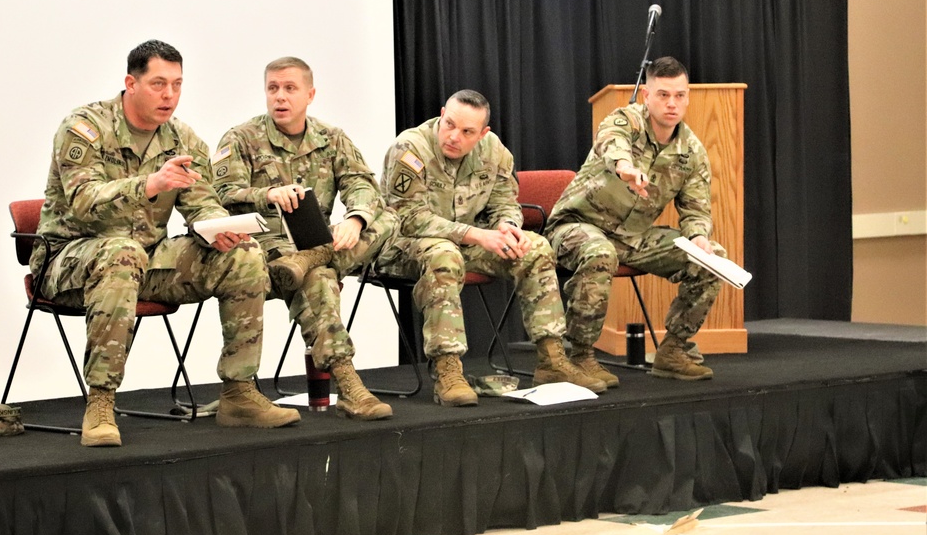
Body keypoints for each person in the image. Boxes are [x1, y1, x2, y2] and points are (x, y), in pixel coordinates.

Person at [32, 40, 299, 448]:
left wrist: (218, 227)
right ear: (130, 83)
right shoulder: (85, 127)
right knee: (122, 250)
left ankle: (239, 392)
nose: (169, 95)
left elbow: (201, 202)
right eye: (158, 84)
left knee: (242, 254)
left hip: (145, 260)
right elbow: (84, 202)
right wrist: (150, 184)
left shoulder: (183, 140)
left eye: (176, 84)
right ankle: (101, 401)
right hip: (70, 258)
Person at [376, 90, 607, 407]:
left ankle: (552, 360)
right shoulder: (411, 148)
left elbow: (504, 203)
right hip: (404, 246)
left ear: (482, 133)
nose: (454, 136)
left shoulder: (494, 152)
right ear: (442, 114)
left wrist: (508, 226)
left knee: (535, 248)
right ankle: (448, 371)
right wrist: (475, 234)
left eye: (467, 131)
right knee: (444, 254)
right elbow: (407, 218)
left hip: (465, 244)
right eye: (449, 124)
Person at [213, 56, 395, 421]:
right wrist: (266, 194)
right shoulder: (241, 138)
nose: (280, 97)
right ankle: (349, 384)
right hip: (263, 247)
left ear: (310, 94)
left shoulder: (332, 138)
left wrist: (355, 220)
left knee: (386, 216)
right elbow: (219, 194)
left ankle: (313, 257)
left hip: (313, 244)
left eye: (290, 89)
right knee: (321, 277)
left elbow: (362, 185)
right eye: (273, 89)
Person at [545, 56, 723, 382]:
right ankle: (580, 356)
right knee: (600, 252)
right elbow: (612, 141)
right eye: (663, 95)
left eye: (679, 95)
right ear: (646, 96)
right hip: (577, 226)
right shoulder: (625, 120)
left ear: (687, 97)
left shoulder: (691, 152)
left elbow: (696, 210)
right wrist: (625, 168)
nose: (672, 103)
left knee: (712, 259)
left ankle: (673, 349)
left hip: (633, 238)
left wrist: (698, 236)